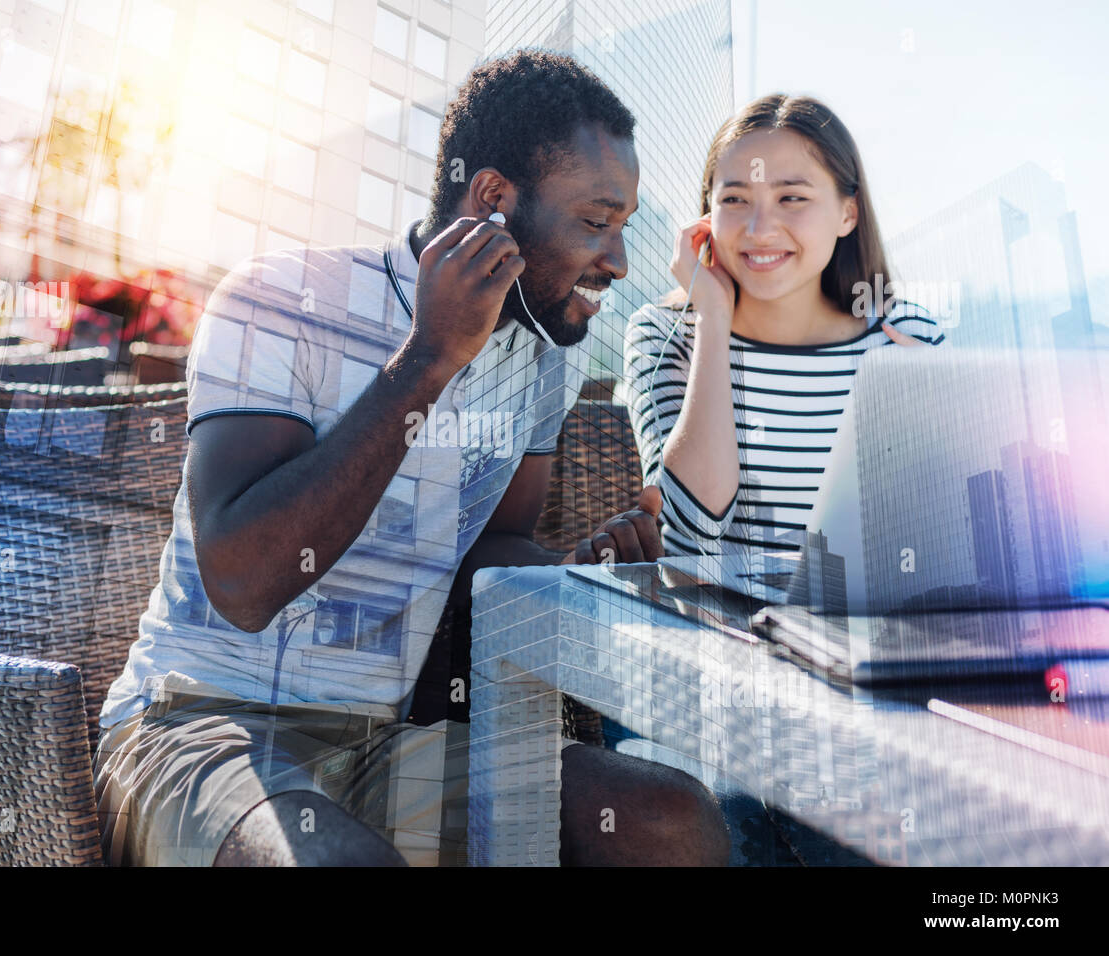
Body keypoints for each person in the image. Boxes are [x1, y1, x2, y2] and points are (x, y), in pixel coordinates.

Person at [93, 49, 730, 867]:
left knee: (664, 819)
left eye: (624, 225)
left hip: (384, 749)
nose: (618, 260)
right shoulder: (279, 302)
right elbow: (243, 582)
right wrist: (430, 357)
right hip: (199, 730)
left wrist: (569, 569)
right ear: (495, 200)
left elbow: (486, 556)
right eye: (595, 222)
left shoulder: (540, 361)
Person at [619, 94, 946, 561]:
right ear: (706, 215)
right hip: (711, 630)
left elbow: (938, 532)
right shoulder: (664, 334)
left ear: (847, 214)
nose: (759, 228)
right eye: (734, 199)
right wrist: (713, 317)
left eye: (791, 198)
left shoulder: (908, 337)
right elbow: (696, 527)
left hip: (866, 629)